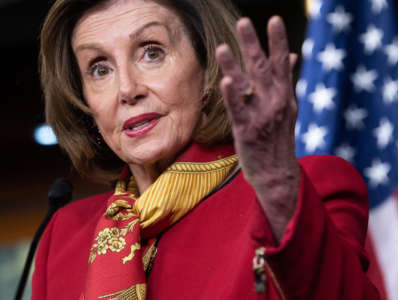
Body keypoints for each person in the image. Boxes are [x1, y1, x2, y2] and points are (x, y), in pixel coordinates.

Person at [31, 0, 380, 299]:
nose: (127, 89)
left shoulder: (303, 189)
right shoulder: (63, 236)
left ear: (208, 67)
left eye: (152, 52)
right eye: (99, 68)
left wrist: (279, 192)